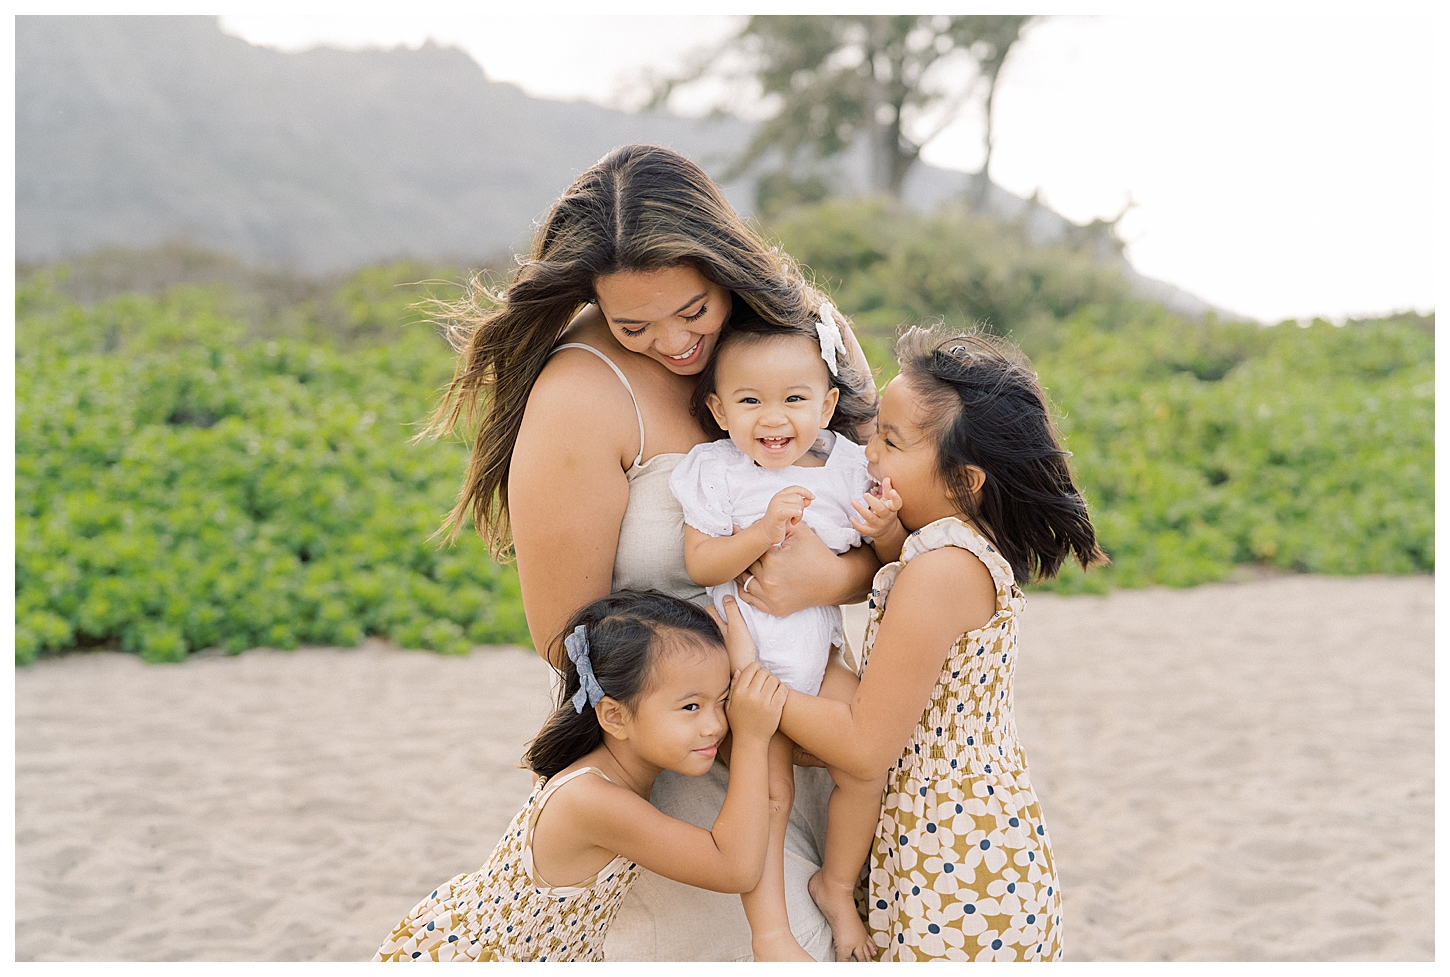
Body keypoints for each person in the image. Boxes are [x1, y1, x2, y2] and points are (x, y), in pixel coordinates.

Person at [422, 144, 880, 960]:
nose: (672, 343)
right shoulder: (581, 395)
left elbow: (886, 517)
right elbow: (564, 635)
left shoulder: (803, 336)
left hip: (820, 733)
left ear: (727, 268)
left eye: (694, 311)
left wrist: (835, 574)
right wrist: (724, 688)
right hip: (691, 763)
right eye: (634, 324)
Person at [774, 326, 1107, 961]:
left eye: (890, 441)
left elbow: (867, 749)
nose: (868, 451)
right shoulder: (945, 551)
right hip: (958, 841)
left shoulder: (941, 572)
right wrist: (889, 539)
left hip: (957, 867)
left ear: (963, 479)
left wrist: (755, 692)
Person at [374, 591, 785, 962]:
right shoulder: (593, 799)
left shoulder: (599, 773)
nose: (715, 724)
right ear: (614, 716)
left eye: (724, 701)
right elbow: (735, 868)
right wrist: (752, 736)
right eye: (691, 707)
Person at [668, 300, 890, 961]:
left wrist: (883, 527)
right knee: (768, 793)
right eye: (750, 400)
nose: (773, 418)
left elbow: (877, 562)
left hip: (816, 658)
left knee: (867, 759)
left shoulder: (846, 467)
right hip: (742, 666)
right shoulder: (717, 470)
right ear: (719, 410)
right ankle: (773, 934)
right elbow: (701, 561)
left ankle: (835, 882)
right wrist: (762, 532)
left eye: (794, 398)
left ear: (825, 407)